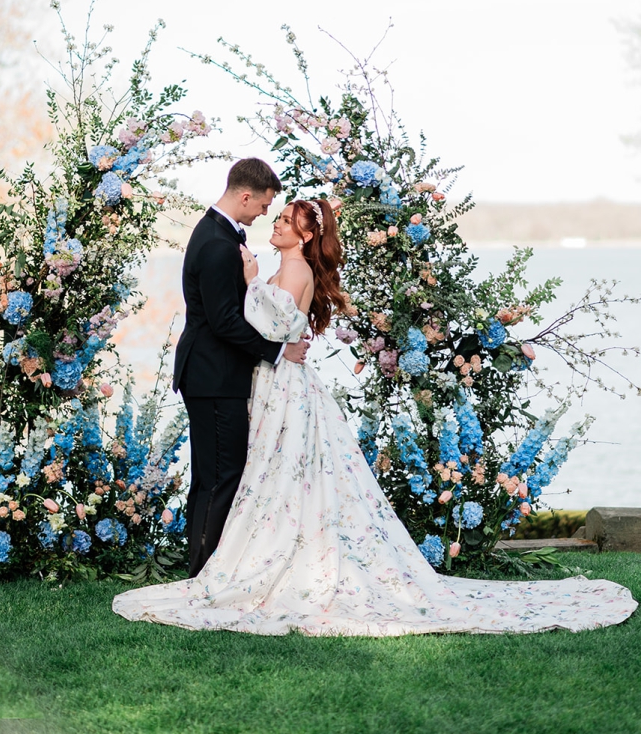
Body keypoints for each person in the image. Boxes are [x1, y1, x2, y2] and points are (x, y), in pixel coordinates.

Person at [116, 196, 637, 634]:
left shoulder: (291, 269)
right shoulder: (287, 265)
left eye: (285, 220)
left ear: (301, 236)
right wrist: (258, 282)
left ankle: (277, 564)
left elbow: (277, 327)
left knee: (278, 474)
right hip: (277, 382)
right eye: (273, 217)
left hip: (284, 386)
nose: (274, 223)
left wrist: (250, 283)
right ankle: (253, 559)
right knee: (273, 475)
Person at [172, 158, 308, 577]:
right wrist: (277, 351)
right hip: (214, 376)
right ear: (246, 195)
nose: (267, 212)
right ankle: (201, 576)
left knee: (213, 476)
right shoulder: (216, 243)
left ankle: (203, 569)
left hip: (215, 374)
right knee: (220, 478)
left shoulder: (222, 234)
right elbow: (224, 321)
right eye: (266, 204)